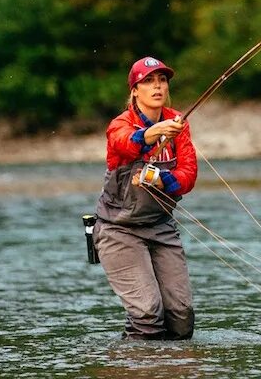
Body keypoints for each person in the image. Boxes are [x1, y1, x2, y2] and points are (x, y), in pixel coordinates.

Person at [93, 56, 198, 339]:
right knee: (148, 314)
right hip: (118, 230)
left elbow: (188, 177)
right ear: (134, 90)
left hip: (161, 226)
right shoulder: (120, 123)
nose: (157, 87)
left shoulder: (178, 126)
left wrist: (162, 178)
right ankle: (136, 367)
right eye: (148, 81)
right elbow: (126, 143)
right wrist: (154, 132)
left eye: (162, 80)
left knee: (181, 318)